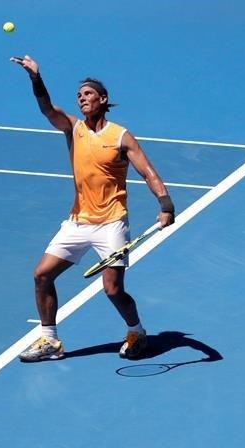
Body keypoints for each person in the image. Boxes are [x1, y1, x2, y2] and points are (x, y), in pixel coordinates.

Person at [10, 55, 175, 362]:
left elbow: (148, 172)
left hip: (112, 223)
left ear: (103, 99)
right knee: (41, 275)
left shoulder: (120, 136)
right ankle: (50, 341)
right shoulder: (73, 128)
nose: (81, 98)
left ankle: (137, 331)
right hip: (78, 221)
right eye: (78, 96)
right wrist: (35, 77)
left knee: (112, 290)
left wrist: (165, 204)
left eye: (87, 94)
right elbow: (47, 109)